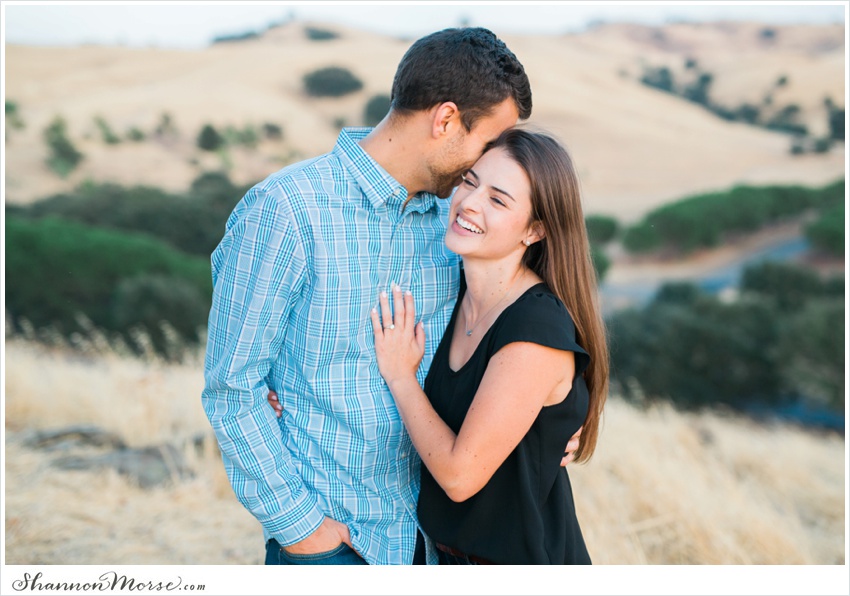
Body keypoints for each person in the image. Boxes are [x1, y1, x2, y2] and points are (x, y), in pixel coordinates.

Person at [202, 26, 577, 566]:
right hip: (335, 544)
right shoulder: (286, 211)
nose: (488, 161)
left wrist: (564, 412)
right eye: (487, 141)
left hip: (438, 547)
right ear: (445, 120)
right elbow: (232, 389)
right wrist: (302, 530)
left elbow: (528, 313)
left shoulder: (454, 225)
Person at [369, 128, 609, 564]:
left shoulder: (536, 327)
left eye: (498, 200)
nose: (469, 203)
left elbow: (461, 477)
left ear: (534, 231)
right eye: (470, 181)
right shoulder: (449, 293)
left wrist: (402, 377)